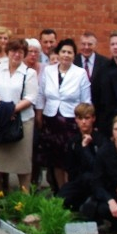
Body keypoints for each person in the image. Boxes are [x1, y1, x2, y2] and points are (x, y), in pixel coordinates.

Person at [37, 38, 91, 190]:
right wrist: (39, 115)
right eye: (63, 52)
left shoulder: (80, 73)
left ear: (74, 55)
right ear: (58, 54)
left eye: (70, 52)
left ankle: (71, 192)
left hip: (70, 122)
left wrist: (84, 125)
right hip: (51, 120)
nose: (66, 55)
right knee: (55, 160)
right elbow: (41, 94)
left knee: (69, 159)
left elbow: (86, 101)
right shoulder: (48, 70)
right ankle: (59, 192)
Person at [0, 38, 39, 192]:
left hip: (21, 121)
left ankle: (24, 197)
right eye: (13, 51)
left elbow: (30, 97)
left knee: (22, 162)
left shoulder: (29, 73)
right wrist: (3, 108)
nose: (16, 55)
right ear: (8, 52)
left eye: (21, 52)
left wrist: (12, 110)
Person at [55, 103, 107, 212]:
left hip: (97, 182)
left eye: (87, 118)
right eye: (80, 118)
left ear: (93, 119)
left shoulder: (101, 140)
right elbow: (69, 167)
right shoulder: (73, 142)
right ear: (76, 120)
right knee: (59, 200)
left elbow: (97, 167)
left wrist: (85, 148)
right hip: (79, 181)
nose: (83, 122)